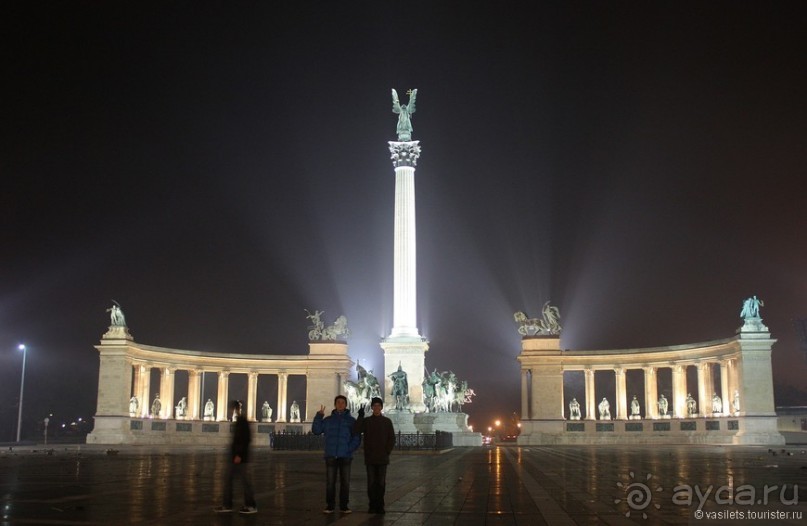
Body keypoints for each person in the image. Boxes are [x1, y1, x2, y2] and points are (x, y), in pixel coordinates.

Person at [312, 395, 361, 514]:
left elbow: (357, 437)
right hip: (331, 454)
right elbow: (316, 430)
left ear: (346, 405)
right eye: (338, 402)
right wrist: (319, 416)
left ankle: (344, 506)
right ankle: (330, 505)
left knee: (345, 482)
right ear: (335, 405)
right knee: (330, 482)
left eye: (342, 402)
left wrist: (349, 449)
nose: (340, 404)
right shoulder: (328, 420)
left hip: (345, 455)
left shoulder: (351, 421)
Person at [353, 397, 396, 514]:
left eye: (378, 405)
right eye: (374, 405)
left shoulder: (387, 421)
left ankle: (380, 505)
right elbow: (356, 430)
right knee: (371, 483)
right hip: (370, 457)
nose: (376, 407)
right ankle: (372, 505)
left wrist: (387, 451)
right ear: (372, 408)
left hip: (382, 457)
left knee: (381, 483)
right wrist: (360, 416)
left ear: (381, 407)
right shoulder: (367, 421)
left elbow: (392, 438)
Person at [214, 401, 257, 514]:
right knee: (229, 480)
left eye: (231, 409)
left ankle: (251, 505)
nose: (230, 411)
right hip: (235, 456)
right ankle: (227, 505)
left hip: (240, 458)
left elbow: (245, 439)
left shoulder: (242, 422)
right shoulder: (239, 421)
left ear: (236, 409)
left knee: (245, 482)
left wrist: (239, 455)